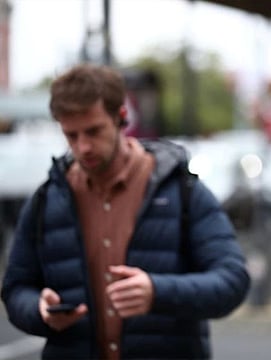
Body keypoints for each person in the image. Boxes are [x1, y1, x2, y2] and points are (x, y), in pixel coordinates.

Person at [1, 63, 250, 360]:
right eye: (71, 136)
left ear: (121, 117)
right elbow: (16, 288)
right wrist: (39, 310)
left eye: (94, 131)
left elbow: (232, 280)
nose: (83, 147)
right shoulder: (47, 200)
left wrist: (158, 292)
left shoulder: (180, 191)